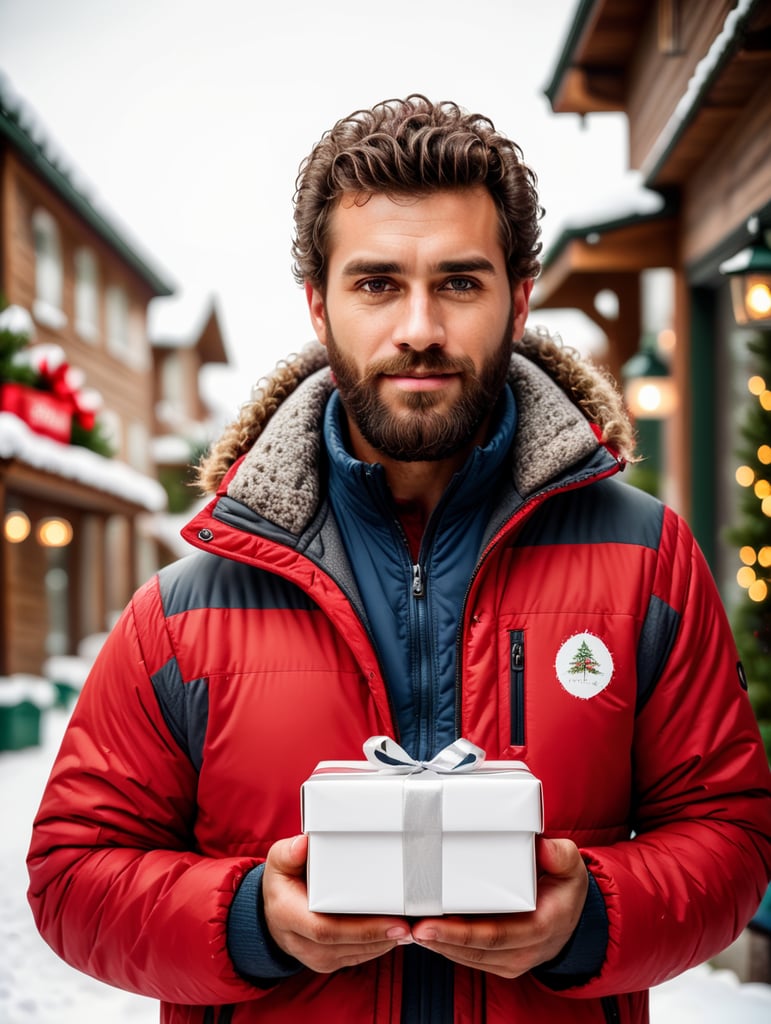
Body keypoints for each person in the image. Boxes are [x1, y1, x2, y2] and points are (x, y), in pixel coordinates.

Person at [28, 95, 771, 1024]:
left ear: (518, 299)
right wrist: (250, 921)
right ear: (319, 305)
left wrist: (590, 918)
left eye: (458, 282)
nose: (419, 326)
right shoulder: (186, 606)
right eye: (377, 284)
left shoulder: (645, 558)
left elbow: (731, 838)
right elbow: (71, 876)